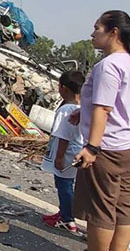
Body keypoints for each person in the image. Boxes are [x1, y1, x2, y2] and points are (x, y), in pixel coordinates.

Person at [70, 11, 130, 251]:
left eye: (97, 28)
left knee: (101, 210)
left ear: (113, 32)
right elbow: (124, 102)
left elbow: (104, 108)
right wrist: (83, 112)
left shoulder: (109, 65)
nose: (92, 34)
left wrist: (91, 147)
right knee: (123, 205)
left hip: (110, 148)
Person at [40, 70, 85, 232]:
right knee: (68, 184)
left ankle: (68, 219)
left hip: (67, 153)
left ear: (64, 88)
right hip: (79, 152)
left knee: (64, 185)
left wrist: (59, 158)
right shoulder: (84, 108)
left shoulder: (67, 109)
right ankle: (64, 212)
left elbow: (64, 136)